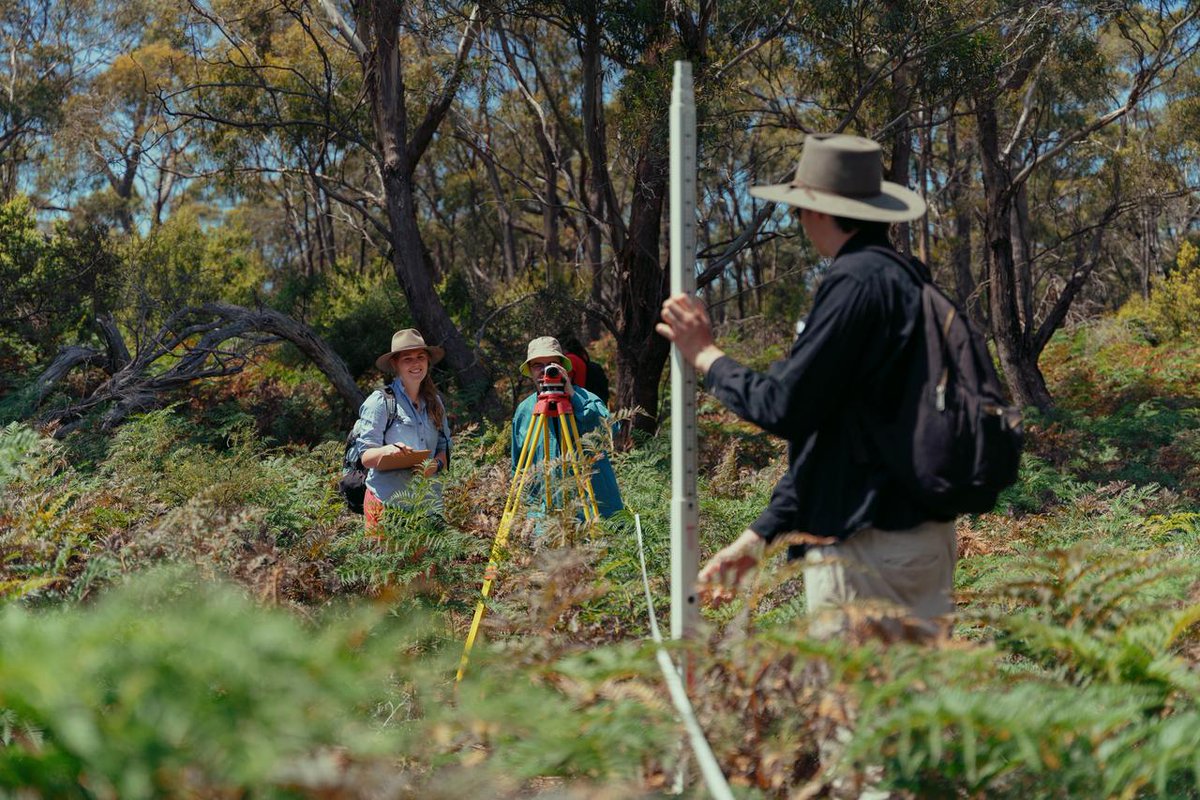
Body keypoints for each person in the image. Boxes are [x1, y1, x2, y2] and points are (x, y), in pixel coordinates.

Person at [656, 133, 957, 638]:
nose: (797, 222)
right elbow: (839, 435)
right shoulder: (911, 280)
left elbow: (786, 407)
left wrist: (707, 356)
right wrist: (761, 538)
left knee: (852, 713)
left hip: (867, 554)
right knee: (912, 713)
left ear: (817, 211)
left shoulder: (854, 284)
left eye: (798, 210)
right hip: (923, 542)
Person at [511, 336, 623, 519]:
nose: (545, 372)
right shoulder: (524, 411)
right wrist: (526, 514)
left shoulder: (588, 399)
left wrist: (572, 396)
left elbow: (609, 432)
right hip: (543, 518)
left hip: (591, 512)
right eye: (538, 365)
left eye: (552, 365)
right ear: (529, 370)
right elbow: (519, 468)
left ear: (563, 368)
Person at [353, 328, 452, 533]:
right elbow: (366, 456)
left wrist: (435, 464)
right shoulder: (380, 402)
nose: (416, 364)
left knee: (428, 566)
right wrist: (387, 451)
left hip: (428, 506)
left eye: (420, 357)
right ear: (395, 364)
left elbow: (445, 448)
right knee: (389, 565)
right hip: (386, 507)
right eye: (407, 359)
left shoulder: (435, 402)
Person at [557, 332, 610, 406]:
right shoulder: (581, 358)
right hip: (586, 401)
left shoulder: (570, 359)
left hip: (576, 403)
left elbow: (565, 385)